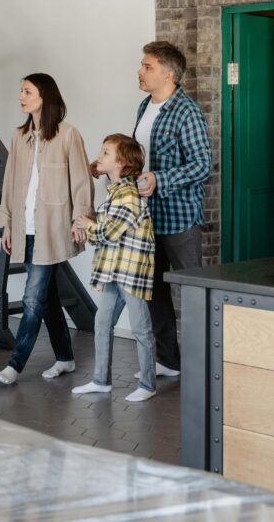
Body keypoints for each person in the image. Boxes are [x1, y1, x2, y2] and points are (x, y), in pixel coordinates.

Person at [0, 73, 94, 385]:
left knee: (33, 299)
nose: (21, 96)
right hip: (26, 228)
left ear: (44, 97)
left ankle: (15, 364)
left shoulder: (68, 135)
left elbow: (80, 180)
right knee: (47, 298)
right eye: (21, 90)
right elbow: (10, 183)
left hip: (52, 228)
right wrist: (8, 224)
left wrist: (81, 219)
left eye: (27, 91)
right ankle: (65, 358)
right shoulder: (18, 136)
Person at [122, 41, 211, 378]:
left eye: (147, 66)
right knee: (154, 292)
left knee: (192, 295)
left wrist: (159, 180)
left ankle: (202, 365)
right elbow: (141, 158)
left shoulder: (186, 111)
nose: (140, 71)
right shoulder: (145, 106)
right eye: (142, 66)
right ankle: (169, 361)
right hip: (147, 219)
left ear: (168, 74)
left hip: (180, 219)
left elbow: (202, 164)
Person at [71, 134, 157, 402]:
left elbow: (108, 232)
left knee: (140, 327)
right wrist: (90, 220)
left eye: (106, 153)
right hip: (113, 271)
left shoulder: (128, 196)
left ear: (120, 162)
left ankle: (148, 383)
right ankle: (101, 380)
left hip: (130, 273)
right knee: (102, 323)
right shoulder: (115, 193)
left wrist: (87, 225)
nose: (100, 156)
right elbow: (107, 225)